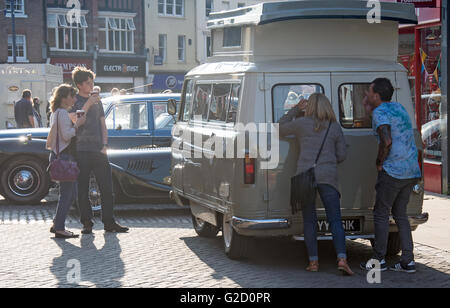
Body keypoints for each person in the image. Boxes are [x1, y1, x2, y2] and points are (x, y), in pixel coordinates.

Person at [278, 93, 353, 275]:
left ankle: (313, 263)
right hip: (328, 178)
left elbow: (279, 127)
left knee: (309, 221)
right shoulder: (334, 127)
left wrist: (296, 109)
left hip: (306, 177)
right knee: (335, 220)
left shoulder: (301, 124)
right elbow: (342, 155)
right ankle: (342, 259)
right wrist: (328, 161)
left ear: (309, 107)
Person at [361, 78, 421, 274]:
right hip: (411, 169)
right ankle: (408, 261)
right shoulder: (399, 107)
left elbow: (386, 140)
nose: (367, 95)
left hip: (393, 170)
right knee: (401, 215)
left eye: (369, 92)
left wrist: (379, 162)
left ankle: (379, 259)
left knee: (380, 214)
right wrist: (366, 106)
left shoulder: (380, 112)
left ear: (376, 96)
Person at [69, 66, 129, 234]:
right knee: (82, 188)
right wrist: (89, 102)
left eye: (92, 82)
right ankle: (87, 222)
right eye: (88, 83)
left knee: (107, 188)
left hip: (98, 149)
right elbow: (76, 120)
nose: (92, 85)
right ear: (80, 85)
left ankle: (109, 222)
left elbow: (103, 124)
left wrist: (104, 145)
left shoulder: (97, 102)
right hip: (80, 150)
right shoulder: (74, 101)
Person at [46, 84, 87, 239]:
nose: (75, 98)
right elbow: (66, 136)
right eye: (72, 96)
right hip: (64, 157)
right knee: (67, 195)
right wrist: (78, 124)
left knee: (68, 193)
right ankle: (60, 228)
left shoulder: (56, 113)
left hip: (58, 156)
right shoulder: (62, 113)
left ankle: (57, 223)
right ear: (64, 98)